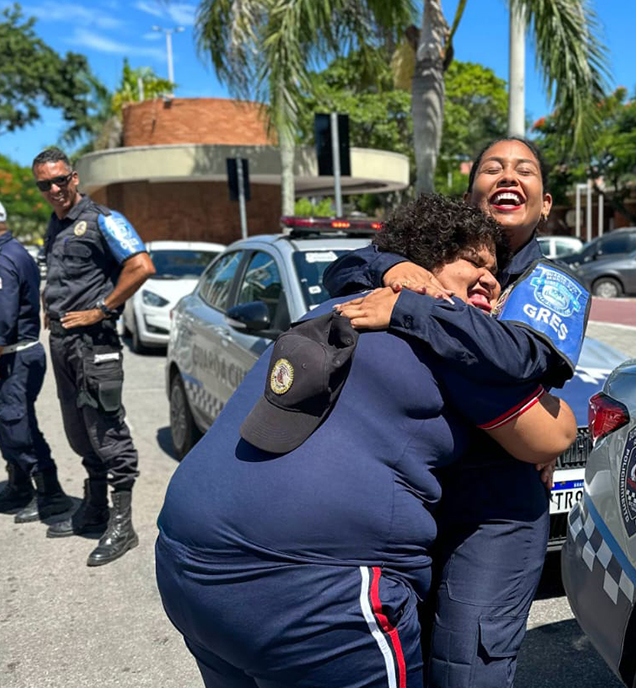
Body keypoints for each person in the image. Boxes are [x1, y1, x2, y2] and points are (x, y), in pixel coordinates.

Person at [155, 194, 579, 688]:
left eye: (496, 272)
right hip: (313, 590)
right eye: (473, 261)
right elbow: (553, 435)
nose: (490, 279)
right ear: (419, 264)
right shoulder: (448, 338)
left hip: (186, 567)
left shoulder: (328, 310)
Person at [324, 137, 571, 687]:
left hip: (495, 508)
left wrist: (408, 307)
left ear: (546, 203)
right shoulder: (424, 256)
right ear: (469, 195)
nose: (509, 177)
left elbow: (519, 356)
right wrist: (392, 266)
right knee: (400, 661)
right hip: (406, 499)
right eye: (493, 168)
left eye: (525, 170)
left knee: (466, 667)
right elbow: (343, 272)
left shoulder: (554, 285)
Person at [31, 147, 155, 566]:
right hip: (63, 344)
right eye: (44, 184)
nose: (54, 189)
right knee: (79, 431)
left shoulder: (104, 219)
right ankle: (95, 508)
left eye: (59, 180)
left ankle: (123, 526)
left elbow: (141, 266)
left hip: (94, 345)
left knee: (106, 431)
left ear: (74, 178)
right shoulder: (55, 224)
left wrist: (101, 308)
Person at [0, 196, 71, 522]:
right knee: (7, 423)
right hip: (16, 355)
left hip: (11, 358)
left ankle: (51, 495)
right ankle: (19, 486)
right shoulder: (15, 251)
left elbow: (0, 321)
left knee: (18, 426)